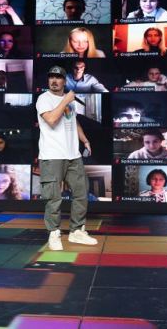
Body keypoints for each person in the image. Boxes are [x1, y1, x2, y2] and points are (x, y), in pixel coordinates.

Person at [36, 65, 98, 250]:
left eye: (58, 77)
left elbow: (73, 120)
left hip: (73, 155)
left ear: (65, 81)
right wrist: (65, 100)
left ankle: (77, 231)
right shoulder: (44, 99)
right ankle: (54, 234)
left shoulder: (69, 101)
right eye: (51, 77)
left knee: (81, 193)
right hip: (52, 155)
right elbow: (51, 119)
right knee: (53, 197)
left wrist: (85, 140)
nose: (54, 81)